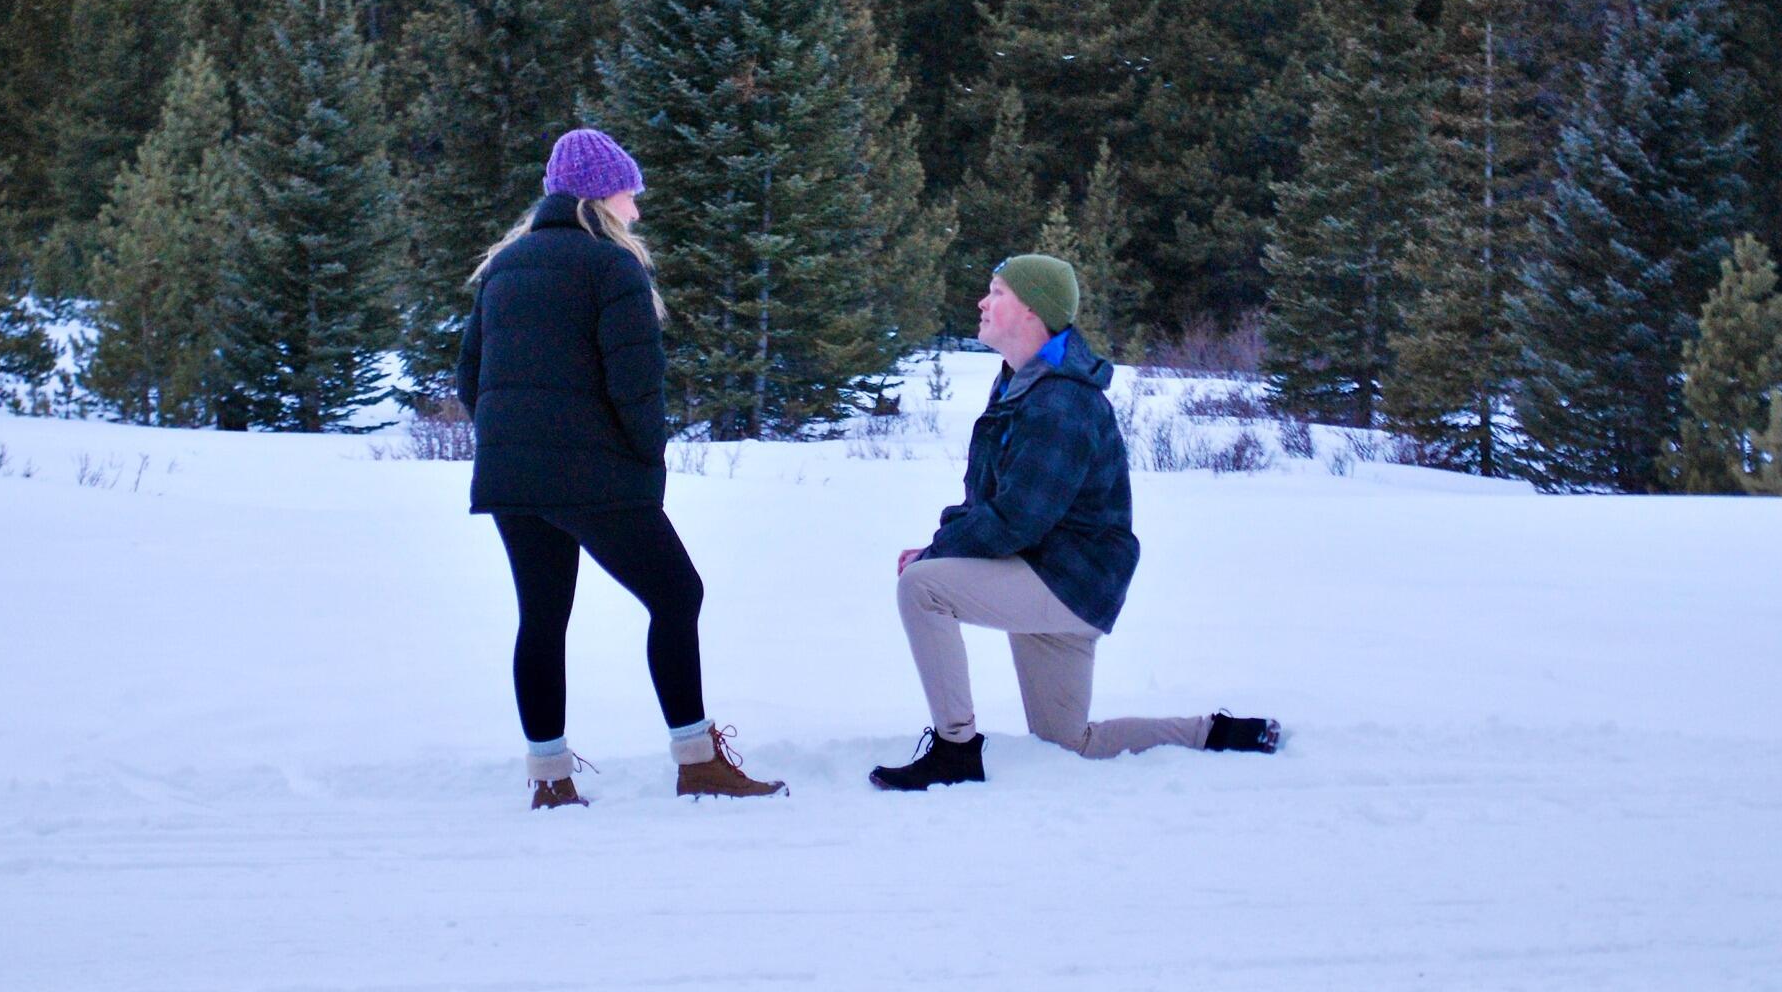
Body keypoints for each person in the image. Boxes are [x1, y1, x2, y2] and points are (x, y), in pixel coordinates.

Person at [458, 128, 786, 810]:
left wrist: (511, 440)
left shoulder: (505, 266)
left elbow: (470, 379)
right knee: (677, 595)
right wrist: (643, 457)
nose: (637, 207)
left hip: (514, 477)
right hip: (592, 475)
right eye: (630, 193)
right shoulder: (612, 267)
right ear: (602, 196)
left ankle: (550, 777)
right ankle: (697, 761)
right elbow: (637, 384)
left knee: (541, 617)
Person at [870, 254, 1282, 791]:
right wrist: (942, 542)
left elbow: (1017, 518)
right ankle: (1215, 734)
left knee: (922, 589)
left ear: (1032, 311)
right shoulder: (1021, 384)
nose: (982, 301)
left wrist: (934, 556)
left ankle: (956, 751)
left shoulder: (1061, 400)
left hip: (1068, 581)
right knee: (1069, 743)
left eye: (996, 291)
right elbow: (988, 500)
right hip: (1055, 576)